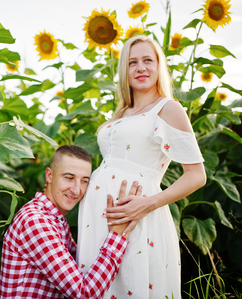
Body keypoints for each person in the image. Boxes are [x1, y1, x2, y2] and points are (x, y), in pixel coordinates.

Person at [76, 35, 206, 298]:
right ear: (124, 69)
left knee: (133, 283)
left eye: (148, 60)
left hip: (138, 214)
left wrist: (147, 204)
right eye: (132, 62)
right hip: (100, 218)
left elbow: (197, 175)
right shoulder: (122, 113)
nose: (141, 68)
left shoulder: (168, 108)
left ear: (159, 66)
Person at [0, 145, 143, 299]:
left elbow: (80, 266)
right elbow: (84, 293)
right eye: (69, 178)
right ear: (49, 175)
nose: (76, 189)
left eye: (84, 181)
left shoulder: (55, 219)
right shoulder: (35, 222)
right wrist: (117, 235)